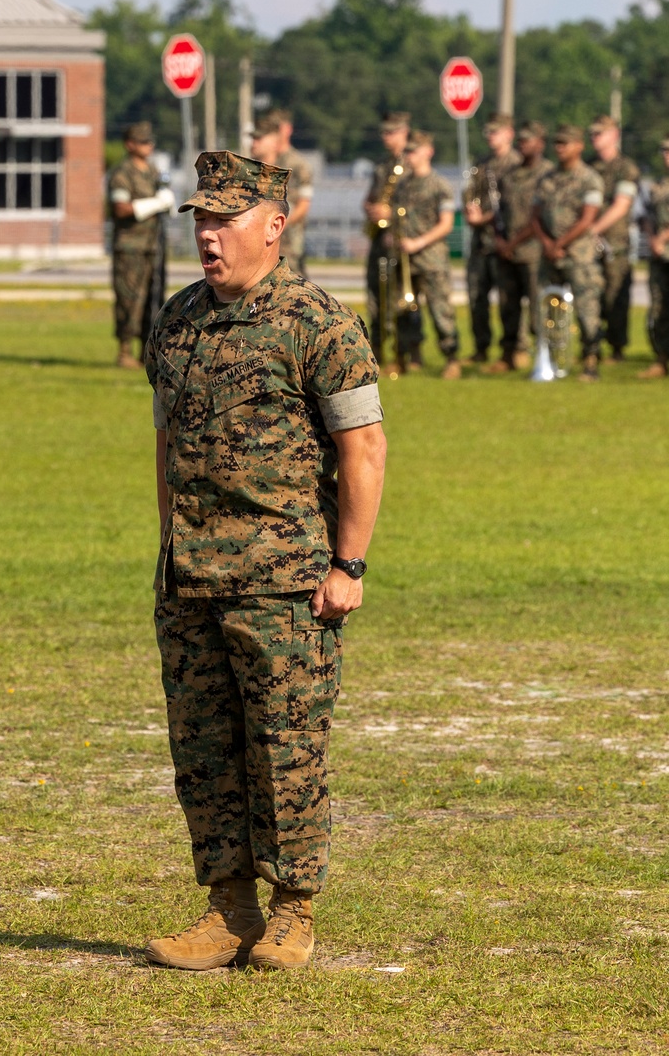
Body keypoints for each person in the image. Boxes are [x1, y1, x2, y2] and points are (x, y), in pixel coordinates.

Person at [143, 151, 386, 973]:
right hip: (191, 581)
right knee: (204, 750)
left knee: (287, 748)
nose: (209, 237)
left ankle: (293, 910)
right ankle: (228, 908)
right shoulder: (176, 319)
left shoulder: (319, 322)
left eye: (226, 221)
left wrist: (348, 565)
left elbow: (364, 449)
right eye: (202, 221)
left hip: (285, 584)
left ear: (274, 226)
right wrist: (169, 547)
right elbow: (166, 443)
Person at [532, 124, 604, 381]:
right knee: (547, 308)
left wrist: (560, 243)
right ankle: (549, 362)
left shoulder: (590, 179)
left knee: (586, 308)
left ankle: (590, 360)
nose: (559, 148)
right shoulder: (547, 179)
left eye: (565, 143)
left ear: (579, 146)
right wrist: (547, 243)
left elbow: (587, 220)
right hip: (549, 253)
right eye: (557, 143)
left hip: (579, 254)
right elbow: (535, 216)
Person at [393, 131, 462, 379]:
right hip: (405, 260)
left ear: (428, 152)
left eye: (414, 151)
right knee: (405, 311)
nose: (409, 156)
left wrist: (418, 242)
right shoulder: (403, 185)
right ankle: (410, 356)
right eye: (407, 151)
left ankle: (452, 357)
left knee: (440, 310)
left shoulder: (439, 185)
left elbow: (446, 224)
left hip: (431, 259)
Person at [107, 121, 174, 368]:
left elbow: (164, 196)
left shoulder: (154, 172)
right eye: (143, 141)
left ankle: (147, 351)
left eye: (150, 141)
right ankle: (124, 350)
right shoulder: (122, 173)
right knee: (129, 299)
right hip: (130, 247)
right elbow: (121, 208)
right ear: (130, 145)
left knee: (153, 299)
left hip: (153, 246)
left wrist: (166, 202)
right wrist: (155, 203)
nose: (149, 145)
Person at [492, 122, 553, 373]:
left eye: (528, 140)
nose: (523, 144)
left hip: (533, 252)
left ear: (540, 143)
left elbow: (540, 217)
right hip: (507, 252)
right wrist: (499, 239)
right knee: (508, 306)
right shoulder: (510, 175)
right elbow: (499, 212)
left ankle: (542, 357)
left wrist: (513, 242)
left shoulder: (548, 173)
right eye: (521, 140)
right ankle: (509, 355)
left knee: (538, 309)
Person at [462, 113, 518, 365]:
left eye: (496, 132)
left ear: (509, 133)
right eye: (488, 132)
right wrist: (469, 209)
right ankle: (481, 348)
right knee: (477, 296)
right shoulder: (482, 162)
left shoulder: (515, 163)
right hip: (480, 241)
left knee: (508, 298)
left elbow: (512, 204)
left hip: (504, 239)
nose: (491, 137)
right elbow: (471, 192)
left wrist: (483, 218)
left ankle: (514, 349)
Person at [589, 116, 641, 361]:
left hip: (615, 244)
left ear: (614, 136)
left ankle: (617, 349)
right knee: (590, 295)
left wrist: (593, 227)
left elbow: (621, 206)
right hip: (588, 244)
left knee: (615, 297)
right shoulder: (588, 166)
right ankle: (591, 346)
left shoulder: (625, 168)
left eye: (600, 133)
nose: (595, 137)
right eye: (592, 133)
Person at [362, 113, 412, 363]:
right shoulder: (381, 166)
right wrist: (370, 208)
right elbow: (371, 197)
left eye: (391, 132)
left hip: (401, 240)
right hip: (379, 239)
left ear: (404, 133)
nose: (386, 137)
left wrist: (391, 213)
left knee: (401, 297)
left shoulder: (411, 165)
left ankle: (406, 352)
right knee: (375, 294)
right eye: (384, 132)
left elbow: (417, 205)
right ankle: (378, 347)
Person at [250, 115, 310, 276]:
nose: (253, 143)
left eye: (259, 138)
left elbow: (304, 203)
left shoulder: (293, 167)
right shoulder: (248, 172)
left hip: (287, 243)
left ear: (274, 141)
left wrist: (277, 227)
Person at [269, 109, 315, 277]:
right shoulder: (266, 160)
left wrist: (281, 224)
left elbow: (304, 204)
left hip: (290, 238)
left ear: (287, 129)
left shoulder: (298, 164)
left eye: (277, 127)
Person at [639, 135, 669, 379]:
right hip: (659, 257)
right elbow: (646, 216)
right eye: (663, 150)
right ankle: (660, 359)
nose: (666, 155)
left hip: (663, 246)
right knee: (658, 309)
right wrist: (652, 238)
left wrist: (662, 237)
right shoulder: (657, 186)